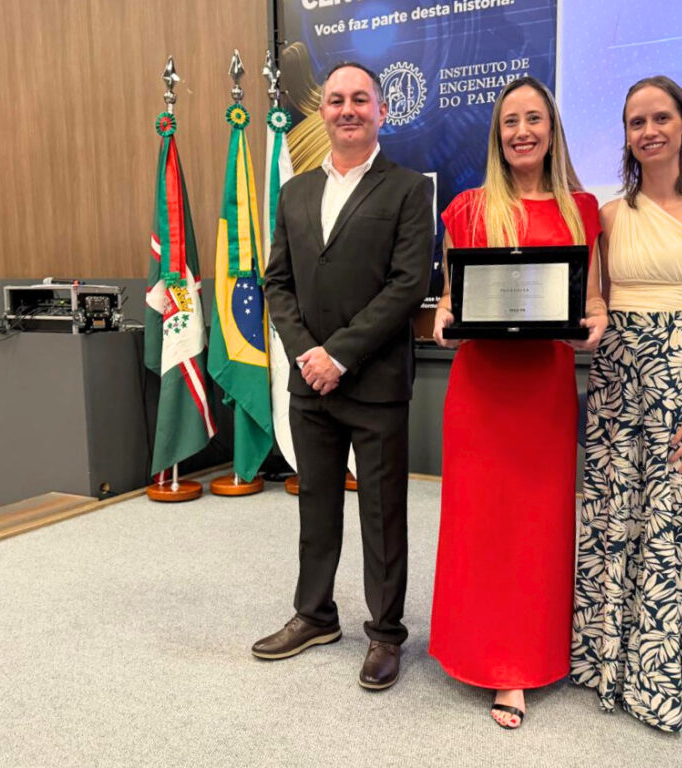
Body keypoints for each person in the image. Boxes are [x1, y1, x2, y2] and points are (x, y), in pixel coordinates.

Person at [430, 76, 607, 729]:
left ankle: (521, 665)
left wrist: (594, 325)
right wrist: (444, 320)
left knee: (537, 528)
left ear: (552, 130)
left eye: (534, 118)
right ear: (497, 135)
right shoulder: (467, 210)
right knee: (479, 524)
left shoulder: (582, 210)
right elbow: (450, 302)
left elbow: (595, 302)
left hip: (544, 393)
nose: (522, 131)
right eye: (511, 121)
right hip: (480, 392)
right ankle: (472, 650)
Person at [570, 75, 682, 732]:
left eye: (661, 118)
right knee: (616, 521)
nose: (649, 131)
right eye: (636, 122)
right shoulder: (609, 217)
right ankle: (608, 666)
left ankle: (666, 680)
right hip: (617, 383)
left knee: (672, 531)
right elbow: (597, 304)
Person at [257, 62, 433, 691]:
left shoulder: (408, 189)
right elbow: (277, 283)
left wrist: (340, 355)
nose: (348, 109)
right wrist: (308, 353)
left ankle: (385, 632)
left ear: (381, 111)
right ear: (323, 111)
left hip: (375, 382)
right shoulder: (295, 193)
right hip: (310, 382)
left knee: (383, 515)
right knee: (317, 505)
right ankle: (314, 615)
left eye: (361, 99)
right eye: (336, 100)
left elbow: (408, 285)